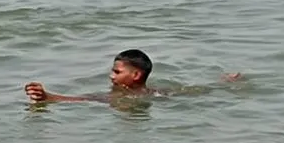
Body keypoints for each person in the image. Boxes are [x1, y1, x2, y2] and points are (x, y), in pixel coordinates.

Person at [24, 49, 241, 103]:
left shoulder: (123, 97)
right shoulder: (155, 92)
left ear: (136, 75)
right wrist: (221, 84)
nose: (111, 76)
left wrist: (50, 97)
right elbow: (190, 91)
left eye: (117, 72)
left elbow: (85, 99)